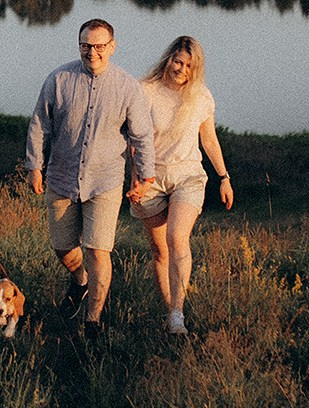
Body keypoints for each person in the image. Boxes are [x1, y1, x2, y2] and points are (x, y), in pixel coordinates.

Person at [24, 17, 155, 332]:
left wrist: (145, 175)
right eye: (85, 45)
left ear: (111, 47)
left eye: (99, 46)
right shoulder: (58, 79)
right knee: (62, 247)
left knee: (98, 250)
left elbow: (142, 135)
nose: (91, 52)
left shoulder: (127, 87)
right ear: (79, 45)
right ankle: (80, 280)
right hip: (60, 178)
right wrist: (34, 166)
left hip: (105, 182)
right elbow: (40, 123)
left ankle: (92, 321)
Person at [128, 35, 233, 336]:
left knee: (177, 237)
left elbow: (209, 139)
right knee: (160, 251)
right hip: (151, 178)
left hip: (188, 176)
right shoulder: (145, 91)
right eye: (177, 61)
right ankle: (170, 309)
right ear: (168, 58)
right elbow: (135, 141)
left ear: (195, 68)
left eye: (189, 65)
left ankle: (178, 314)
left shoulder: (201, 96)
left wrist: (224, 178)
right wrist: (136, 177)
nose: (181, 69)